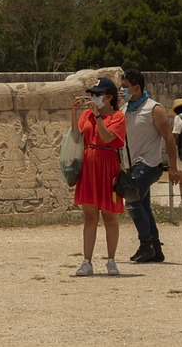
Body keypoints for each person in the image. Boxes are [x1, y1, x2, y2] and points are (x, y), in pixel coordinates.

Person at [120, 69, 181, 263]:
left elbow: (169, 138)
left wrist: (173, 167)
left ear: (136, 87)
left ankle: (145, 244)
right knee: (143, 205)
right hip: (131, 165)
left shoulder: (154, 108)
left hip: (148, 164)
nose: (122, 91)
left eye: (125, 87)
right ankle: (155, 248)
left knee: (131, 201)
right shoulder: (124, 109)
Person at [71, 76, 126, 276]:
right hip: (89, 166)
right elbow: (76, 137)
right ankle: (87, 261)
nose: (93, 97)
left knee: (109, 216)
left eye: (98, 94)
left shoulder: (117, 117)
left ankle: (111, 260)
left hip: (107, 167)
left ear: (109, 97)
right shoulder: (86, 114)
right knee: (90, 216)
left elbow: (106, 137)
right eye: (92, 94)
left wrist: (96, 117)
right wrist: (74, 113)